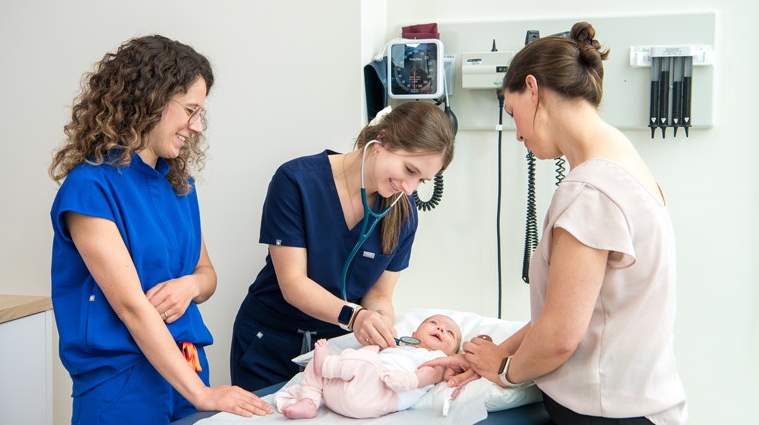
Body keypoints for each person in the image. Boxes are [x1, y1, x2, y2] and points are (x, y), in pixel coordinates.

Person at [422, 22, 687, 424]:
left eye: (513, 112)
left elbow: (560, 336)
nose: (517, 134)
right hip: (636, 404)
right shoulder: (625, 164)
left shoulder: (590, 192)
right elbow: (576, 311)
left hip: (608, 415)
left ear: (533, 89)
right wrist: (497, 353)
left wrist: (503, 369)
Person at [48, 35, 273, 424]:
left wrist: (190, 286)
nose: (197, 126)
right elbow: (131, 306)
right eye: (190, 110)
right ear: (149, 98)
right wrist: (202, 394)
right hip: (122, 383)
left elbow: (206, 274)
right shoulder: (90, 188)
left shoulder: (179, 186)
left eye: (201, 113)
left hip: (187, 369)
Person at [230, 101, 456, 392]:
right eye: (409, 169)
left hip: (338, 352)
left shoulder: (404, 213)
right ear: (382, 140)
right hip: (269, 343)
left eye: (421, 180)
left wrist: (379, 324)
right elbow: (293, 284)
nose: (410, 188)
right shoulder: (296, 181)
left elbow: (379, 295)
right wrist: (355, 316)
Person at [276, 315, 461, 419]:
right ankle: (309, 401)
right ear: (414, 333)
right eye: (434, 323)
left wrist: (408, 380)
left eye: (450, 332)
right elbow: (371, 352)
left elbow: (432, 374)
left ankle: (327, 365)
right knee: (314, 363)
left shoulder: (437, 358)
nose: (440, 329)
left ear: (452, 354)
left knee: (367, 363)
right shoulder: (398, 345)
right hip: (339, 391)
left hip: (378, 395)